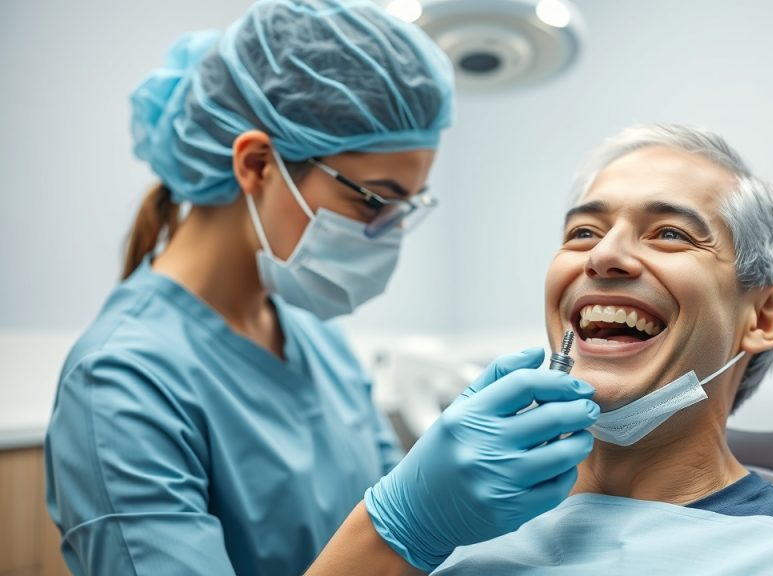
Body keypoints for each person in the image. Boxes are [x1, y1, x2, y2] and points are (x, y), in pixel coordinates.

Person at [44, 2, 600, 575]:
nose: (389, 235)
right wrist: (408, 520)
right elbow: (391, 530)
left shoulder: (316, 341)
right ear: (258, 164)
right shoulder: (119, 383)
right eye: (373, 200)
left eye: (407, 207)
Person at [433, 123, 773, 575]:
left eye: (670, 234)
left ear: (763, 317)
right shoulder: (447, 524)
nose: (604, 255)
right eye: (583, 232)